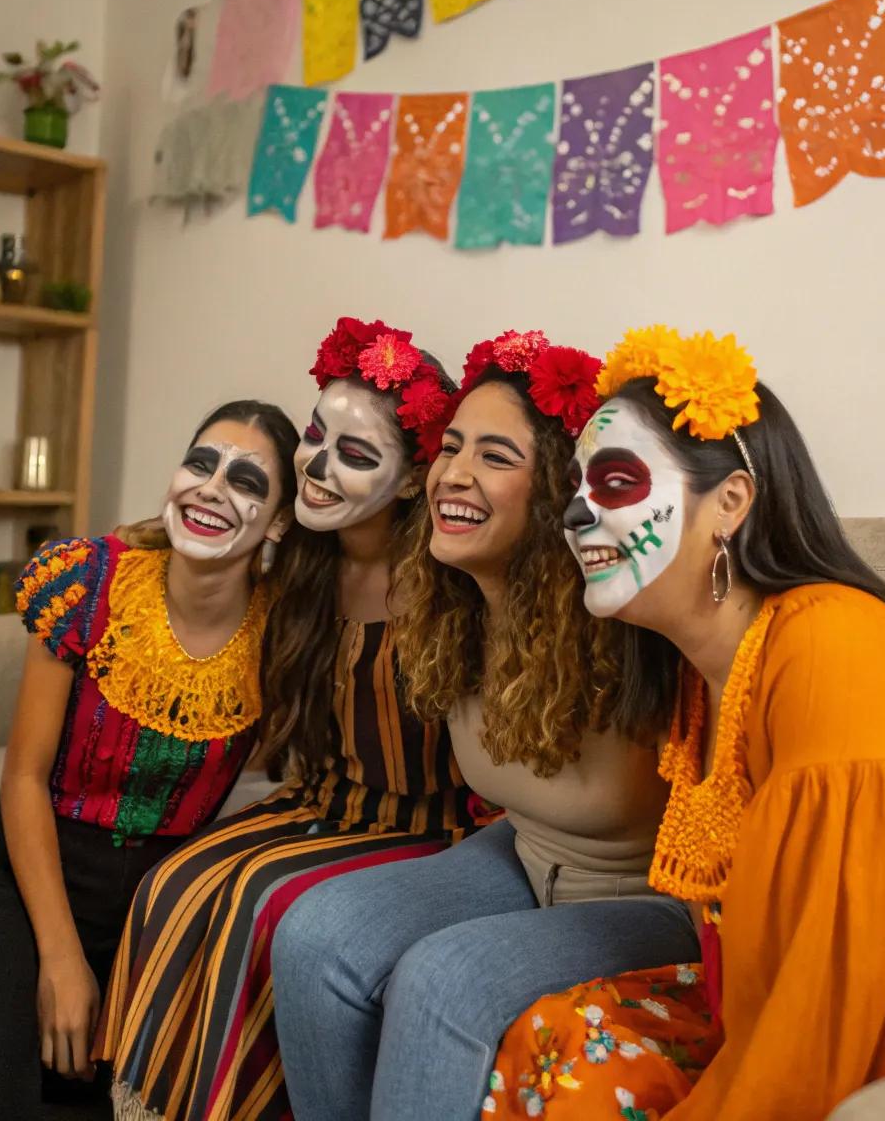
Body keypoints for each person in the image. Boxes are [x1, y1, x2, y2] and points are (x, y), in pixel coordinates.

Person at [484, 325, 885, 1120]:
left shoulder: (833, 649)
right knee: (555, 1034)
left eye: (613, 482)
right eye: (575, 489)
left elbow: (842, 984)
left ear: (732, 503)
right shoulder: (694, 681)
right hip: (757, 1002)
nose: (574, 516)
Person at [271, 330, 697, 1121]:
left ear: (556, 495)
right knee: (314, 935)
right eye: (452, 447)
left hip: (654, 900)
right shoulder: (447, 609)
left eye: (496, 457)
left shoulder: (624, 606)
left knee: (445, 977)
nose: (454, 474)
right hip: (523, 855)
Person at [99, 317, 468, 1121]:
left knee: (256, 903)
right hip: (321, 803)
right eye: (314, 437)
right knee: (173, 881)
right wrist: (121, 549)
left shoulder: (445, 578)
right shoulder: (301, 555)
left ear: (410, 482)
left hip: (428, 825)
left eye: (357, 455)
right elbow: (191, 549)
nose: (319, 466)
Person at [0, 397, 298, 1121]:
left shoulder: (285, 636)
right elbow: (21, 778)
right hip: (19, 871)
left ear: (280, 522)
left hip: (148, 905)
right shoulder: (92, 584)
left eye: (247, 482)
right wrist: (62, 958)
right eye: (201, 463)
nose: (211, 487)